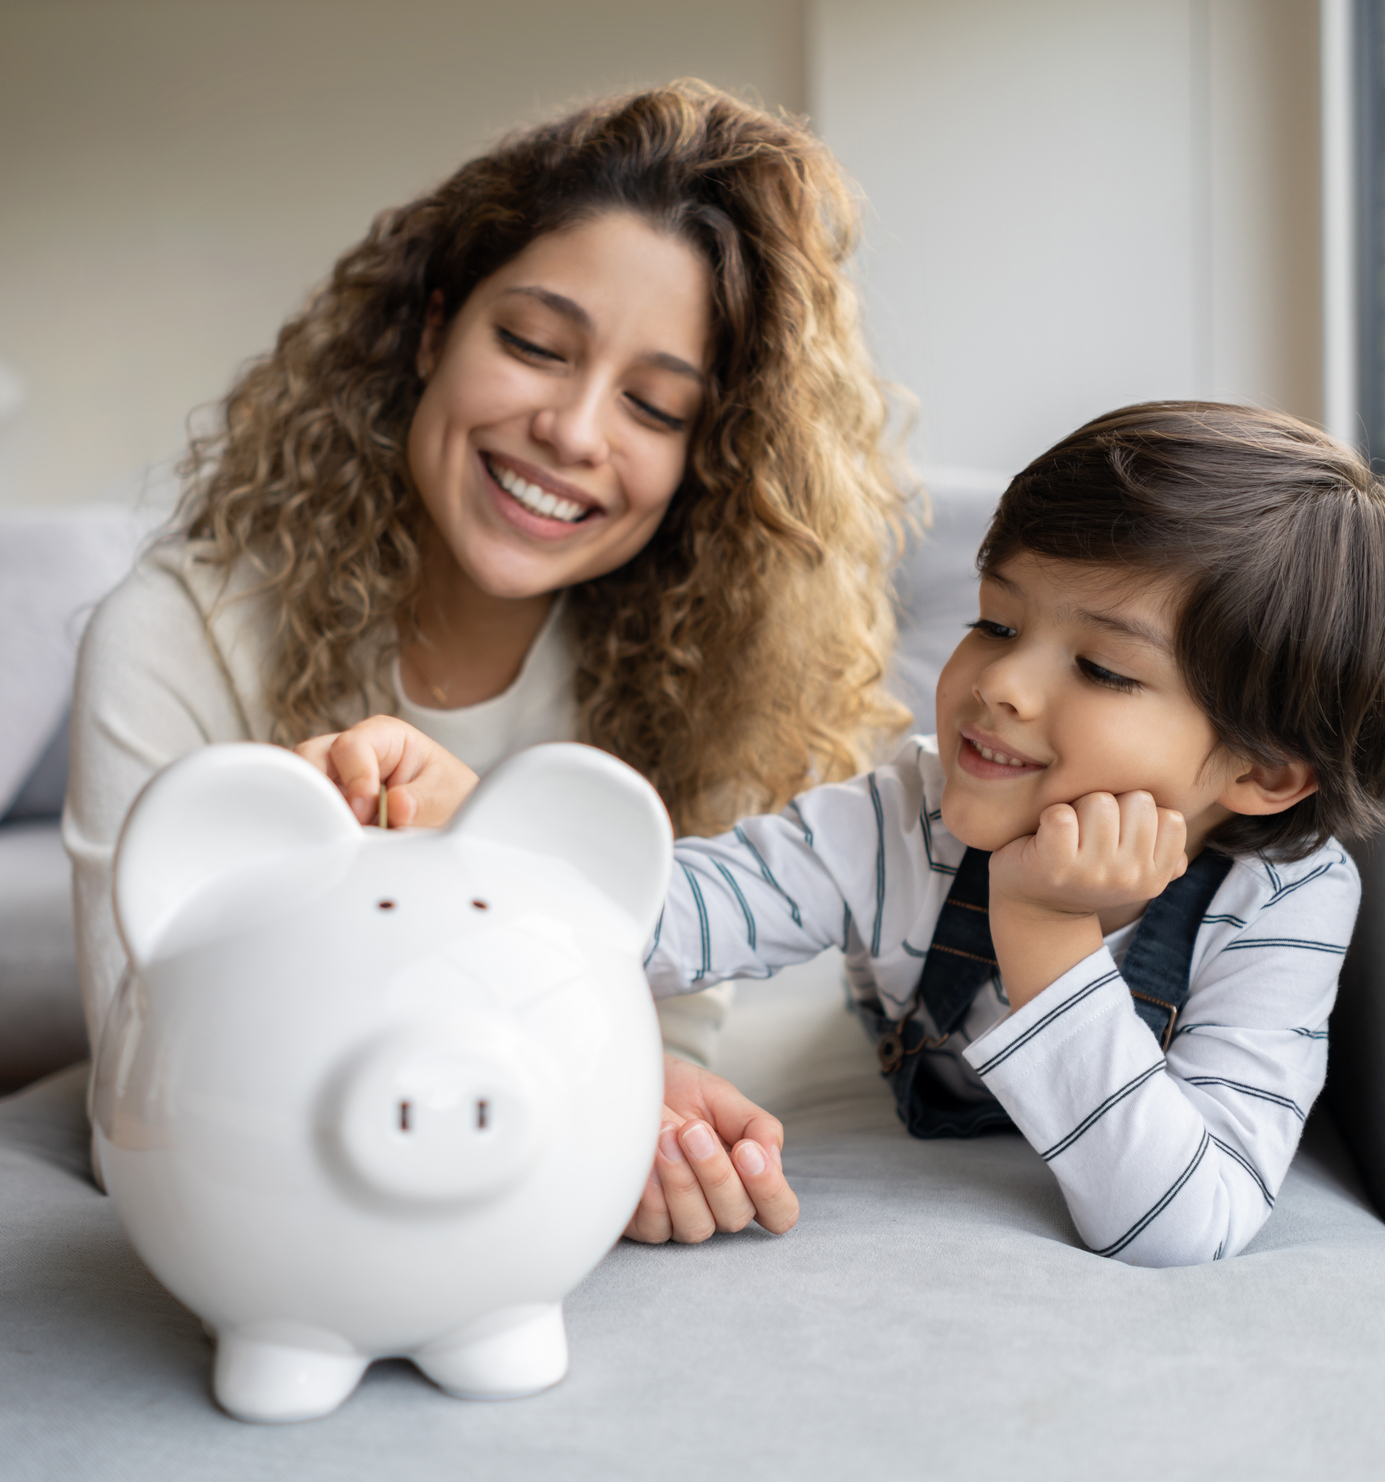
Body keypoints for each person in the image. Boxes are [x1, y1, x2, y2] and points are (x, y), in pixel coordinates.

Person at [65, 82, 912, 1238]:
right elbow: (145, 1103)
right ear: (433, 328)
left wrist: (647, 1110)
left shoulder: (711, 685)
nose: (573, 431)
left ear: (704, 461)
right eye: (531, 345)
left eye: (656, 409)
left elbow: (654, 1042)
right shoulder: (175, 636)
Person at [316, 402, 1385, 1261]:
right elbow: (673, 915)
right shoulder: (898, 816)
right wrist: (484, 832)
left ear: (1263, 770)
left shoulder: (1285, 903)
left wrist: (1048, 936)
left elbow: (1182, 1218)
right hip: (885, 1022)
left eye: (1102, 667)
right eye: (991, 620)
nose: (998, 682)